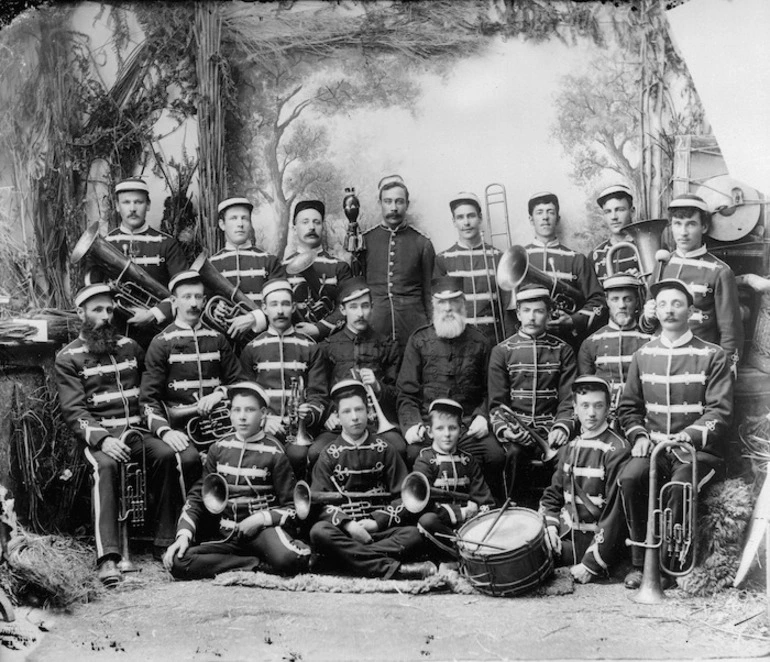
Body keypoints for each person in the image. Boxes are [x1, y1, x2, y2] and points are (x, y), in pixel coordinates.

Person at [55, 284, 193, 586]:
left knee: (167, 455)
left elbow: (148, 398)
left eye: (108, 310)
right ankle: (108, 558)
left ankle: (165, 541)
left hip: (137, 431)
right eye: (97, 310)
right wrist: (103, 439)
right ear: (81, 313)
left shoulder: (131, 347)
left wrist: (159, 429)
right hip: (102, 437)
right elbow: (74, 411)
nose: (105, 317)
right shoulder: (68, 357)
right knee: (103, 466)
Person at [617, 278, 733, 590]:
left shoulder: (712, 355)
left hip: (697, 452)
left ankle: (671, 563)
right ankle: (641, 564)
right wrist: (638, 436)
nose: (670, 310)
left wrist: (690, 437)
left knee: (679, 486)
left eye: (678, 303)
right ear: (656, 310)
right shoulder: (643, 354)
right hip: (654, 447)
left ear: (691, 311)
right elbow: (628, 407)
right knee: (631, 478)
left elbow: (719, 411)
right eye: (664, 304)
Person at [163, 382, 311, 580]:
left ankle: (264, 558)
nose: (242, 416)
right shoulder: (218, 448)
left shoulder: (275, 452)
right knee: (179, 561)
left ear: (263, 413)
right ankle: (254, 564)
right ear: (230, 413)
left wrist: (260, 519)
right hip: (228, 535)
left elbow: (292, 508)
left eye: (250, 410)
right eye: (237, 410)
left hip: (263, 533)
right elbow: (198, 497)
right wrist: (183, 535)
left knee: (292, 559)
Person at [308, 379, 434, 579]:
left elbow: (404, 498)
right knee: (319, 532)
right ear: (338, 417)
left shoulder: (385, 449)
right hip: (345, 533)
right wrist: (349, 525)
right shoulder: (328, 454)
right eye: (347, 412)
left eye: (359, 409)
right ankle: (394, 569)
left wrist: (377, 522)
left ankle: (342, 561)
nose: (355, 417)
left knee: (413, 535)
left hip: (378, 532)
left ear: (368, 412)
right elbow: (318, 502)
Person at [397, 276, 506, 502]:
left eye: (454, 301)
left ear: (463, 303)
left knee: (494, 455)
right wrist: (412, 425)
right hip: (430, 428)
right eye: (441, 303)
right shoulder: (419, 341)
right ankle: (426, 511)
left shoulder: (480, 341)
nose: (448, 308)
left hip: (467, 426)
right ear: (433, 305)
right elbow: (406, 393)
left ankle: (491, 512)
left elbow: (490, 391)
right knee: (413, 453)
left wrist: (483, 417)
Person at [140, 271, 244, 460]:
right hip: (181, 430)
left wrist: (220, 394)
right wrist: (165, 431)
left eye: (197, 297)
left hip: (221, 427)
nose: (193, 303)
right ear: (174, 302)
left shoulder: (218, 339)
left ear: (205, 301)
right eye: (187, 297)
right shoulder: (161, 342)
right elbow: (148, 400)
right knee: (188, 461)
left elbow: (240, 382)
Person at [488, 285, 577, 501]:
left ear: (548, 313)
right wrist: (507, 431)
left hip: (551, 429)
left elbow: (569, 398)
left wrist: (562, 427)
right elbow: (497, 404)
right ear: (518, 313)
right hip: (517, 432)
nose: (532, 317)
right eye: (526, 311)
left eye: (538, 311)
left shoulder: (563, 350)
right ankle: (516, 510)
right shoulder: (502, 351)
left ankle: (558, 514)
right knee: (514, 455)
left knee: (568, 457)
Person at [539, 376, 631, 584]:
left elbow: (616, 515)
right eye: (585, 405)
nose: (591, 413)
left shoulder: (618, 449)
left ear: (608, 408)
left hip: (601, 547)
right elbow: (552, 496)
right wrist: (550, 528)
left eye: (598, 406)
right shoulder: (570, 447)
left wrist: (592, 563)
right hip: (568, 539)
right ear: (575, 408)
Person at [639, 193, 743, 372]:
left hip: (699, 365)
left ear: (704, 226)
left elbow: (730, 331)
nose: (683, 232)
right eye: (677, 224)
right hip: (661, 362)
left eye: (691, 224)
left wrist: (724, 372)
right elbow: (646, 327)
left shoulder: (720, 271)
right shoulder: (662, 264)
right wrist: (648, 317)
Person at [310, 279, 406, 466]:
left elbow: (399, 393)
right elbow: (319, 391)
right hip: (339, 424)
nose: (360, 313)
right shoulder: (327, 347)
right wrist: (330, 415)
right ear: (343, 310)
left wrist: (378, 387)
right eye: (353, 307)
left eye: (365, 306)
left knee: (399, 448)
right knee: (315, 452)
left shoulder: (388, 345)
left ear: (372, 307)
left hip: (376, 424)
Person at [239, 279, 328, 479]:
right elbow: (245, 396)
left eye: (285, 304)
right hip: (264, 429)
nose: (280, 311)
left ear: (293, 307)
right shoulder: (252, 348)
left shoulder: (310, 347)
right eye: (274, 304)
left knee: (299, 455)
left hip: (300, 432)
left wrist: (309, 413)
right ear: (264, 308)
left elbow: (319, 395)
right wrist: (263, 419)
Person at [87, 177, 188, 346]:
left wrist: (154, 314)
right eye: (126, 202)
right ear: (118, 207)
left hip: (159, 333)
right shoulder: (106, 244)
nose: (132, 208)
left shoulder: (166, 243)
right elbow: (89, 289)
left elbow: (184, 291)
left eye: (138, 202)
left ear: (148, 205)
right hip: (115, 331)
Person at [410, 399, 495, 562]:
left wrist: (479, 514)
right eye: (440, 428)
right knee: (427, 521)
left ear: (461, 430)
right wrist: (461, 512)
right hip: (441, 524)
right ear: (430, 432)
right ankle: (467, 556)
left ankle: (468, 554)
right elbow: (422, 505)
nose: (447, 434)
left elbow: (484, 499)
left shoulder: (468, 460)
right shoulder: (425, 460)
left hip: (468, 524)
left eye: (452, 428)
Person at [522, 191, 606, 348]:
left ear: (558, 218)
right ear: (531, 219)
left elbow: (598, 302)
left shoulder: (576, 259)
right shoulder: (520, 258)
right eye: (539, 212)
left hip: (565, 344)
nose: (545, 217)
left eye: (550, 212)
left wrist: (573, 320)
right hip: (527, 345)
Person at [361, 175, 435, 350]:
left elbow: (429, 292)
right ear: (380, 204)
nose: (393, 207)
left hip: (414, 328)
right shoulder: (366, 241)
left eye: (399, 202)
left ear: (407, 205)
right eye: (388, 201)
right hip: (375, 327)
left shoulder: (422, 243)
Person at [433, 192, 514, 344]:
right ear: (454, 221)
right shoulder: (443, 259)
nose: (466, 222)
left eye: (471, 216)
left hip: (492, 340)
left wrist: (506, 344)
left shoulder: (498, 257)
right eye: (460, 217)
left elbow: (507, 307)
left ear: (480, 218)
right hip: (458, 341)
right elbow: (440, 309)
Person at [207, 196, 284, 341]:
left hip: (264, 341)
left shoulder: (268, 260)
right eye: (233, 218)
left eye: (245, 218)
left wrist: (254, 318)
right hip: (224, 344)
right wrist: (215, 309)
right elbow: (203, 304)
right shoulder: (211, 263)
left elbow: (282, 301)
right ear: (222, 224)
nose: (240, 224)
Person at [578, 273, 652, 415]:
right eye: (615, 299)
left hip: (643, 416)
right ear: (607, 301)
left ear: (637, 301)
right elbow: (585, 392)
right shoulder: (591, 343)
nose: (622, 305)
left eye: (628, 299)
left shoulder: (649, 341)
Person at [284, 199, 352, 340]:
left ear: (323, 227)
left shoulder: (339, 266)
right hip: (293, 341)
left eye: (317, 222)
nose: (311, 227)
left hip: (332, 342)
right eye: (305, 222)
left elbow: (348, 306)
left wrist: (319, 328)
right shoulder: (281, 268)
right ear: (294, 228)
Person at [590, 184, 641, 283]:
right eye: (608, 211)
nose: (613, 217)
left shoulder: (647, 247)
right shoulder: (596, 255)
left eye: (620, 210)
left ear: (632, 212)